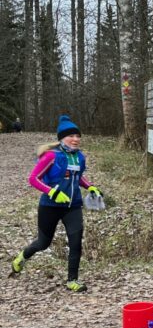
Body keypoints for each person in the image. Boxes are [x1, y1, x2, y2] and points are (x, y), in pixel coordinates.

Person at [10, 115, 103, 292]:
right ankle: (22, 256)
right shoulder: (51, 156)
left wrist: (91, 187)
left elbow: (78, 177)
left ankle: (72, 280)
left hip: (73, 206)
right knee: (43, 243)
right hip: (50, 206)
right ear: (62, 138)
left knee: (76, 243)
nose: (75, 139)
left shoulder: (80, 157)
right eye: (71, 136)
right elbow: (33, 179)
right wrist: (53, 192)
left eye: (78, 136)